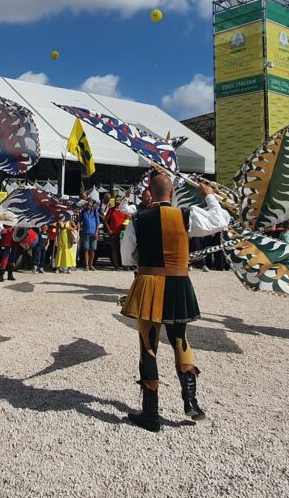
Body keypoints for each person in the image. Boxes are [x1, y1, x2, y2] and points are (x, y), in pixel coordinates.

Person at [120, 173, 230, 432]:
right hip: (179, 284)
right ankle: (191, 401)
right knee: (180, 339)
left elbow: (127, 256)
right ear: (171, 194)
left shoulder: (138, 219)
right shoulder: (186, 215)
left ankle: (151, 415)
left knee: (148, 345)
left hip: (149, 281)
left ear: (150, 191)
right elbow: (221, 220)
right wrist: (209, 196)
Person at [78, 193, 101, 271]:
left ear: (92, 205)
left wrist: (96, 232)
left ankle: (91, 264)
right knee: (86, 249)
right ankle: (86, 265)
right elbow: (79, 221)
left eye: (90, 205)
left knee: (93, 249)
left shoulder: (95, 212)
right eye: (88, 204)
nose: (89, 206)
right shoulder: (83, 212)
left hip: (93, 232)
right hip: (85, 232)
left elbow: (97, 223)